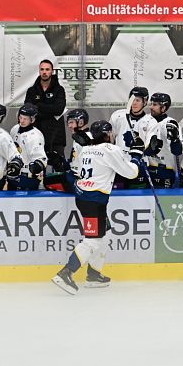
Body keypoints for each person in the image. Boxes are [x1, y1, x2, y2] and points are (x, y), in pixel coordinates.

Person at [52, 120, 145, 294]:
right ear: (107, 133)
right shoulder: (110, 150)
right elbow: (131, 173)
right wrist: (137, 154)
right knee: (93, 240)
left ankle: (94, 275)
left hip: (85, 198)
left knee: (104, 233)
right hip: (94, 201)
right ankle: (66, 272)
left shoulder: (86, 149)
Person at [110, 87, 155, 188]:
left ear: (145, 101)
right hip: (119, 165)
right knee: (117, 199)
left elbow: (149, 146)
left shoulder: (151, 121)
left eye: (138, 100)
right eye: (132, 99)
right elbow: (109, 140)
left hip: (139, 166)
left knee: (138, 199)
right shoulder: (117, 116)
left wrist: (144, 148)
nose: (134, 103)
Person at [24, 59, 67, 158]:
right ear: (39, 71)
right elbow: (28, 111)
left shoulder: (59, 90)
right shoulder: (31, 91)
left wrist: (38, 105)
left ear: (52, 71)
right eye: (42, 69)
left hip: (56, 135)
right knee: (37, 167)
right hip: (36, 133)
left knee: (59, 168)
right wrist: (49, 110)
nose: (44, 72)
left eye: (47, 69)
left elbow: (59, 109)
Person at [144, 93, 183, 189]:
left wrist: (175, 139)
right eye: (151, 104)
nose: (151, 107)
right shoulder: (145, 120)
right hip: (147, 168)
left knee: (164, 201)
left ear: (164, 108)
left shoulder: (171, 123)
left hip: (165, 171)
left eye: (155, 105)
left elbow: (177, 151)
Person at [8, 103, 47, 191]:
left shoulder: (36, 135)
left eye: (25, 119)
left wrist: (37, 166)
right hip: (14, 174)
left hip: (28, 177)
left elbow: (41, 158)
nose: (21, 121)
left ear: (32, 120)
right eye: (20, 117)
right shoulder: (14, 129)